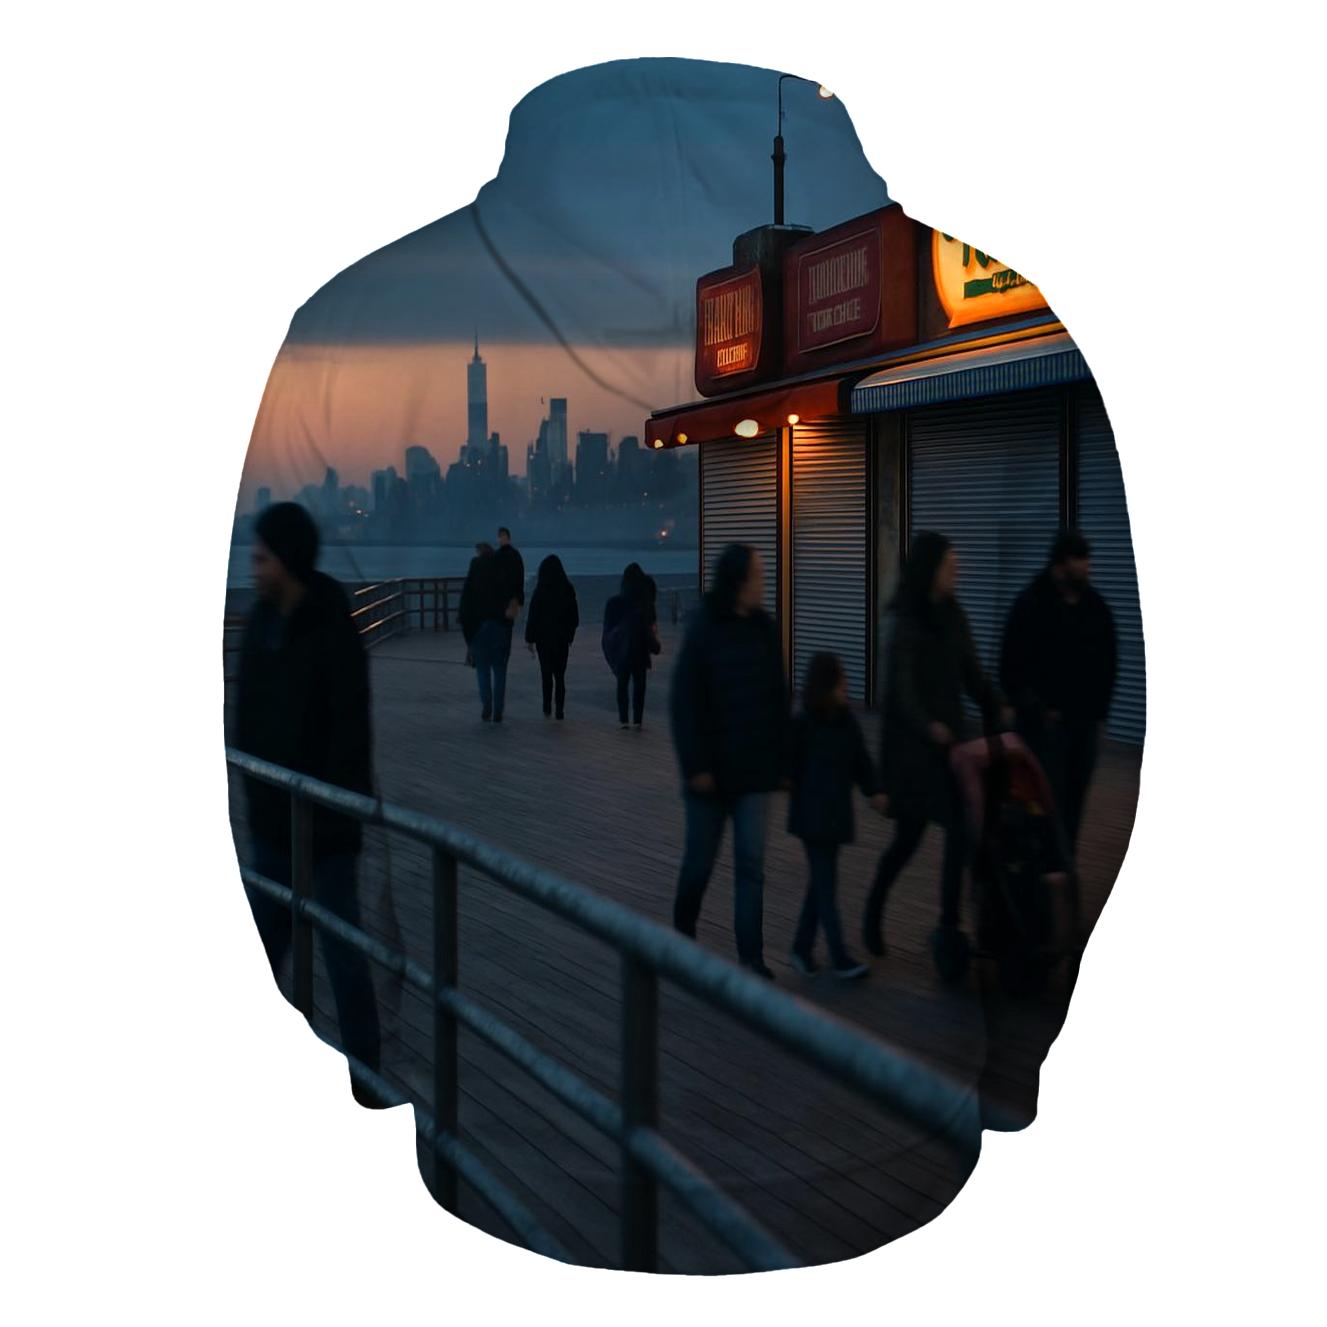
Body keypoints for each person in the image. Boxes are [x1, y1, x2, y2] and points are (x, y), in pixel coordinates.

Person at [232, 501, 388, 1109]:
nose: (254, 567)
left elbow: (350, 733)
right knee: (263, 947)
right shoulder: (261, 624)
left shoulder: (331, 628)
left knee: (342, 951)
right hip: (274, 826)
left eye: (263, 556)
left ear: (287, 560)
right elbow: (246, 717)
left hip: (325, 832)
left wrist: (332, 809)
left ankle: (366, 1076)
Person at [863, 531, 1008, 975]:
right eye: (950, 566)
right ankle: (874, 911)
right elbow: (901, 690)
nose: (956, 573)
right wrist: (929, 725)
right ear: (931, 570)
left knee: (961, 831)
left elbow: (971, 673)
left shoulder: (953, 615)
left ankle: (949, 925)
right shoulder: (907, 622)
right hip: (912, 752)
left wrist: (998, 708)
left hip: (950, 750)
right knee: (907, 840)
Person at [670, 544, 790, 978]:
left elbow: (778, 697)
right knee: (700, 861)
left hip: (754, 770)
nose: (763, 582)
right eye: (757, 575)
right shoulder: (705, 628)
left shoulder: (764, 628)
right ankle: (683, 929)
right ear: (738, 581)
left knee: (751, 866)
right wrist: (696, 766)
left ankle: (751, 957)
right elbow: (684, 701)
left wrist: (784, 761)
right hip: (710, 773)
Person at [1000, 530, 1117, 860]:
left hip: (1083, 726)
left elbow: (1108, 663)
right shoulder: (1031, 605)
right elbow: (1010, 669)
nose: (1088, 566)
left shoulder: (1096, 608)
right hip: (1043, 729)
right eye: (1081, 560)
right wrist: (1037, 710)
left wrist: (1101, 717)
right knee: (1042, 804)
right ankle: (1039, 875)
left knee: (1074, 804)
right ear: (1061, 564)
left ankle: (1062, 871)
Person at [787, 653, 887, 981]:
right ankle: (839, 955)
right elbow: (788, 766)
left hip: (831, 814)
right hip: (814, 817)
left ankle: (801, 948)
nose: (847, 684)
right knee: (826, 884)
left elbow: (861, 760)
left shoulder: (845, 720)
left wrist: (874, 791)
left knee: (821, 883)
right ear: (827, 684)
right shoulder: (805, 724)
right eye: (841, 679)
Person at [602, 562, 661, 729]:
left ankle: (623, 719)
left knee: (622, 684)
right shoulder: (645, 603)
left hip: (623, 648)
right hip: (641, 648)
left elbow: (610, 626)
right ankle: (637, 719)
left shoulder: (617, 602)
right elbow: (651, 623)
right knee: (639, 684)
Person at [459, 541, 513, 720]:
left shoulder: (474, 570)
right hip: (500, 627)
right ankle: (499, 709)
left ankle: (486, 704)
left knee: (482, 669)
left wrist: (468, 637)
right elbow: (510, 602)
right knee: (499, 670)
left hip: (479, 628)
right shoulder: (502, 570)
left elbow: (465, 605)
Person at [524, 554, 580, 719]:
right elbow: (574, 617)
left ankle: (547, 706)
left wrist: (530, 638)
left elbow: (533, 615)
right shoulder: (568, 589)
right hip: (561, 639)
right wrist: (570, 635)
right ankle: (560, 709)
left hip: (544, 639)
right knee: (560, 675)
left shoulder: (540, 590)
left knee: (546, 674)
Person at [458, 541, 493, 669]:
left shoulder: (476, 565)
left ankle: (473, 657)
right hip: (490, 615)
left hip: (476, 614)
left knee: (474, 637)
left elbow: (468, 592)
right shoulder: (496, 566)